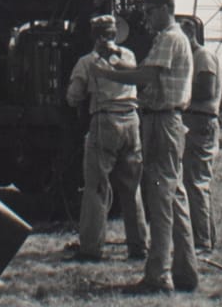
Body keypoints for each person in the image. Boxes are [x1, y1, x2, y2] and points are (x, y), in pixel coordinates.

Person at [97, 0, 198, 294]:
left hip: (162, 121)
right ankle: (185, 273)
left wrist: (107, 74)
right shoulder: (170, 38)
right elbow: (143, 72)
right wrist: (116, 62)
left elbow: (145, 77)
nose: (146, 18)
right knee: (174, 197)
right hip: (165, 119)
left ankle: (159, 276)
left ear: (166, 8)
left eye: (150, 11)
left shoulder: (169, 38)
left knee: (160, 199)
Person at [65, 14, 149, 262]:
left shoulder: (87, 62)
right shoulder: (129, 56)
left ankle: (90, 249)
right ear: (115, 34)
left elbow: (73, 96)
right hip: (132, 121)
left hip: (105, 121)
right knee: (132, 188)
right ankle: (138, 246)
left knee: (97, 187)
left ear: (94, 35)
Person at [179, 18, 222, 253]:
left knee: (196, 183)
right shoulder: (194, 58)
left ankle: (203, 242)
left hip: (200, 121)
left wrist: (176, 88)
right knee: (193, 183)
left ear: (190, 34)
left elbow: (206, 90)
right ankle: (204, 238)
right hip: (193, 121)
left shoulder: (203, 57)